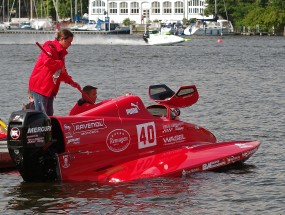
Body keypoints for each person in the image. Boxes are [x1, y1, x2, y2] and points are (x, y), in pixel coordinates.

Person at [29, 29, 80, 116]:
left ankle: (50, 129)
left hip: (50, 88)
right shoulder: (49, 46)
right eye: (69, 42)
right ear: (62, 39)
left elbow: (62, 72)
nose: (70, 44)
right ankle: (39, 128)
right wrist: (60, 64)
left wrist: (71, 82)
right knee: (42, 115)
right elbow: (47, 61)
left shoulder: (61, 54)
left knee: (49, 114)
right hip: (40, 86)